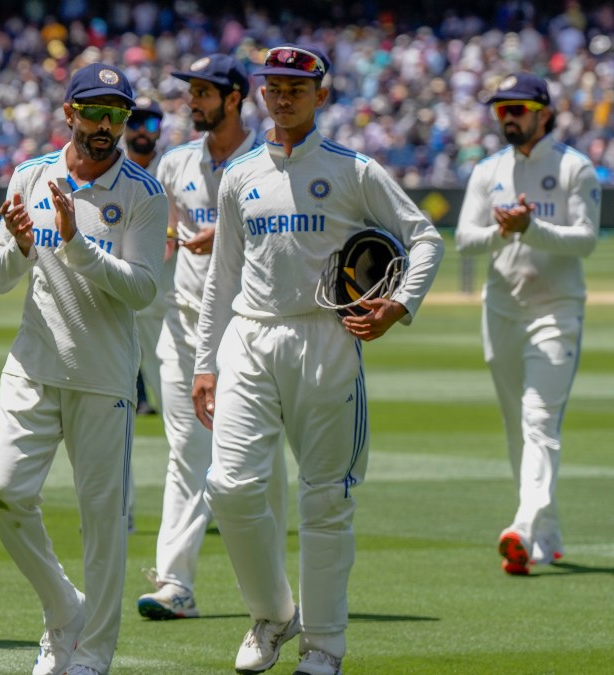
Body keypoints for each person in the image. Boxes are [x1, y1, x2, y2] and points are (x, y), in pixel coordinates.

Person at [190, 45, 443, 675]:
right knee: (229, 487)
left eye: (297, 88)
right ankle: (273, 612)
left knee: (326, 499)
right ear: (260, 94)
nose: (284, 97)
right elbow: (220, 279)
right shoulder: (239, 174)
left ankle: (324, 647)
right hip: (249, 337)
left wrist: (398, 305)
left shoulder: (354, 169)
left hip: (328, 340)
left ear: (321, 96)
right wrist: (204, 363)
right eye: (274, 87)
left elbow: (424, 236)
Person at [0, 63, 166, 675]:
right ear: (70, 113)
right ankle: (65, 608)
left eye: (118, 115)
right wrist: (20, 243)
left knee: (103, 526)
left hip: (104, 378)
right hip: (33, 367)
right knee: (3, 494)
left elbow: (142, 290)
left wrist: (75, 244)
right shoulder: (31, 175)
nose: (107, 126)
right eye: (95, 112)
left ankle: (92, 656)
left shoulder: (142, 192)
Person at [136, 54, 286, 622]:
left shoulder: (271, 161)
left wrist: (226, 236)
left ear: (234, 98)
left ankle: (274, 594)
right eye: (191, 91)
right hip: (183, 328)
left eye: (204, 91)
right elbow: (164, 230)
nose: (193, 101)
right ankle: (175, 584)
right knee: (185, 453)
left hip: (252, 331)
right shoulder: (175, 164)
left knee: (261, 464)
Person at [456, 72, 600, 576]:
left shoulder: (574, 168)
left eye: (518, 108)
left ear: (543, 112)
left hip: (556, 309)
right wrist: (504, 230)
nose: (509, 118)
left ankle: (520, 526)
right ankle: (548, 533)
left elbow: (585, 240)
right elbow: (465, 239)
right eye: (501, 110)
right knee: (520, 429)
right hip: (502, 312)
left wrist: (531, 228)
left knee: (540, 420)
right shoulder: (487, 170)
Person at [126, 97, 167, 422]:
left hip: (165, 292)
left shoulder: (170, 171)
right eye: (135, 122)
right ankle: (137, 400)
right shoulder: (110, 170)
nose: (142, 130)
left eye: (150, 123)